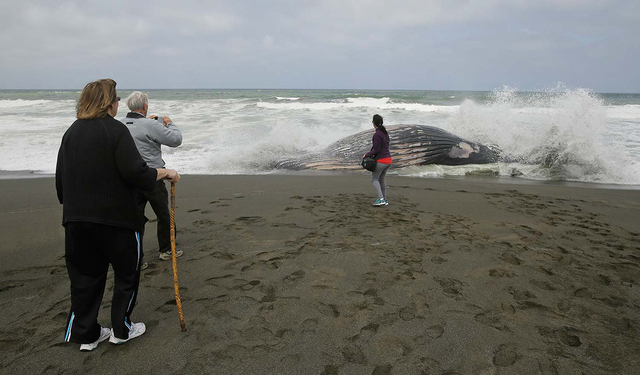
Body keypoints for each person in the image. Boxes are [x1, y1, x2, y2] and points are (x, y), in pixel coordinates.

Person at [55, 79, 180, 351]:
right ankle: (121, 329)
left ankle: (86, 334)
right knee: (126, 274)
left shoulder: (71, 133)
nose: (117, 103)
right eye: (115, 99)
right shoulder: (115, 130)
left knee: (85, 278)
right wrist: (166, 172)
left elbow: (61, 185)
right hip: (118, 222)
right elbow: (136, 173)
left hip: (76, 222)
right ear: (109, 103)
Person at [120, 91, 183, 267]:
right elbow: (176, 139)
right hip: (153, 176)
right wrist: (169, 123)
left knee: (134, 218)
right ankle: (166, 250)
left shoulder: (119, 125)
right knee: (163, 214)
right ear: (145, 106)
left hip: (129, 178)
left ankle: (136, 258)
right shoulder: (149, 124)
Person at [363, 114, 392, 206]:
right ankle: (384, 199)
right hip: (388, 160)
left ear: (373, 123)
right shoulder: (385, 133)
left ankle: (381, 199)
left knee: (374, 179)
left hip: (381, 161)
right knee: (381, 179)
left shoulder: (377, 135)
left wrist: (366, 155)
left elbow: (376, 149)